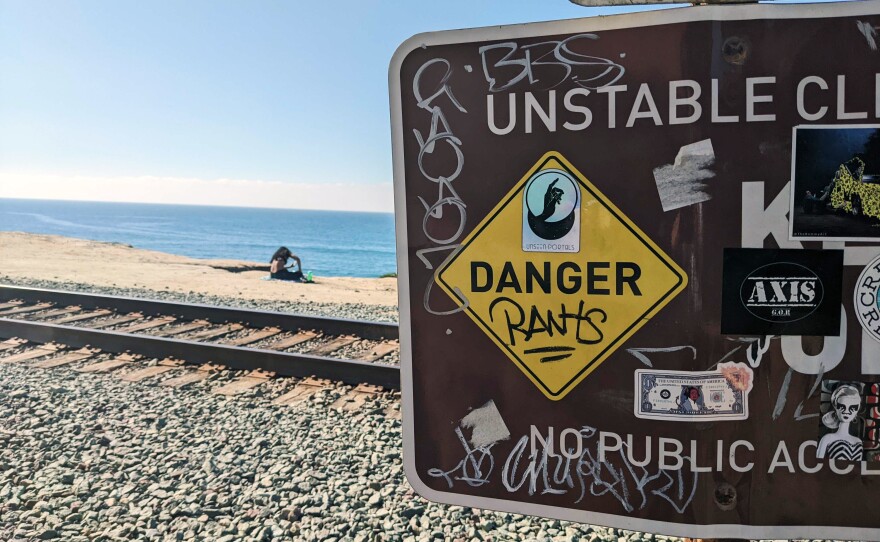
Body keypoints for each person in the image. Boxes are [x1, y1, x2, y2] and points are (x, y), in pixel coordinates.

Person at [817, 384, 863, 461]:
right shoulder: (827, 438)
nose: (847, 412)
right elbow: (817, 463)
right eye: (842, 407)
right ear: (835, 407)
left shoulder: (858, 441)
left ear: (857, 410)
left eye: (853, 408)